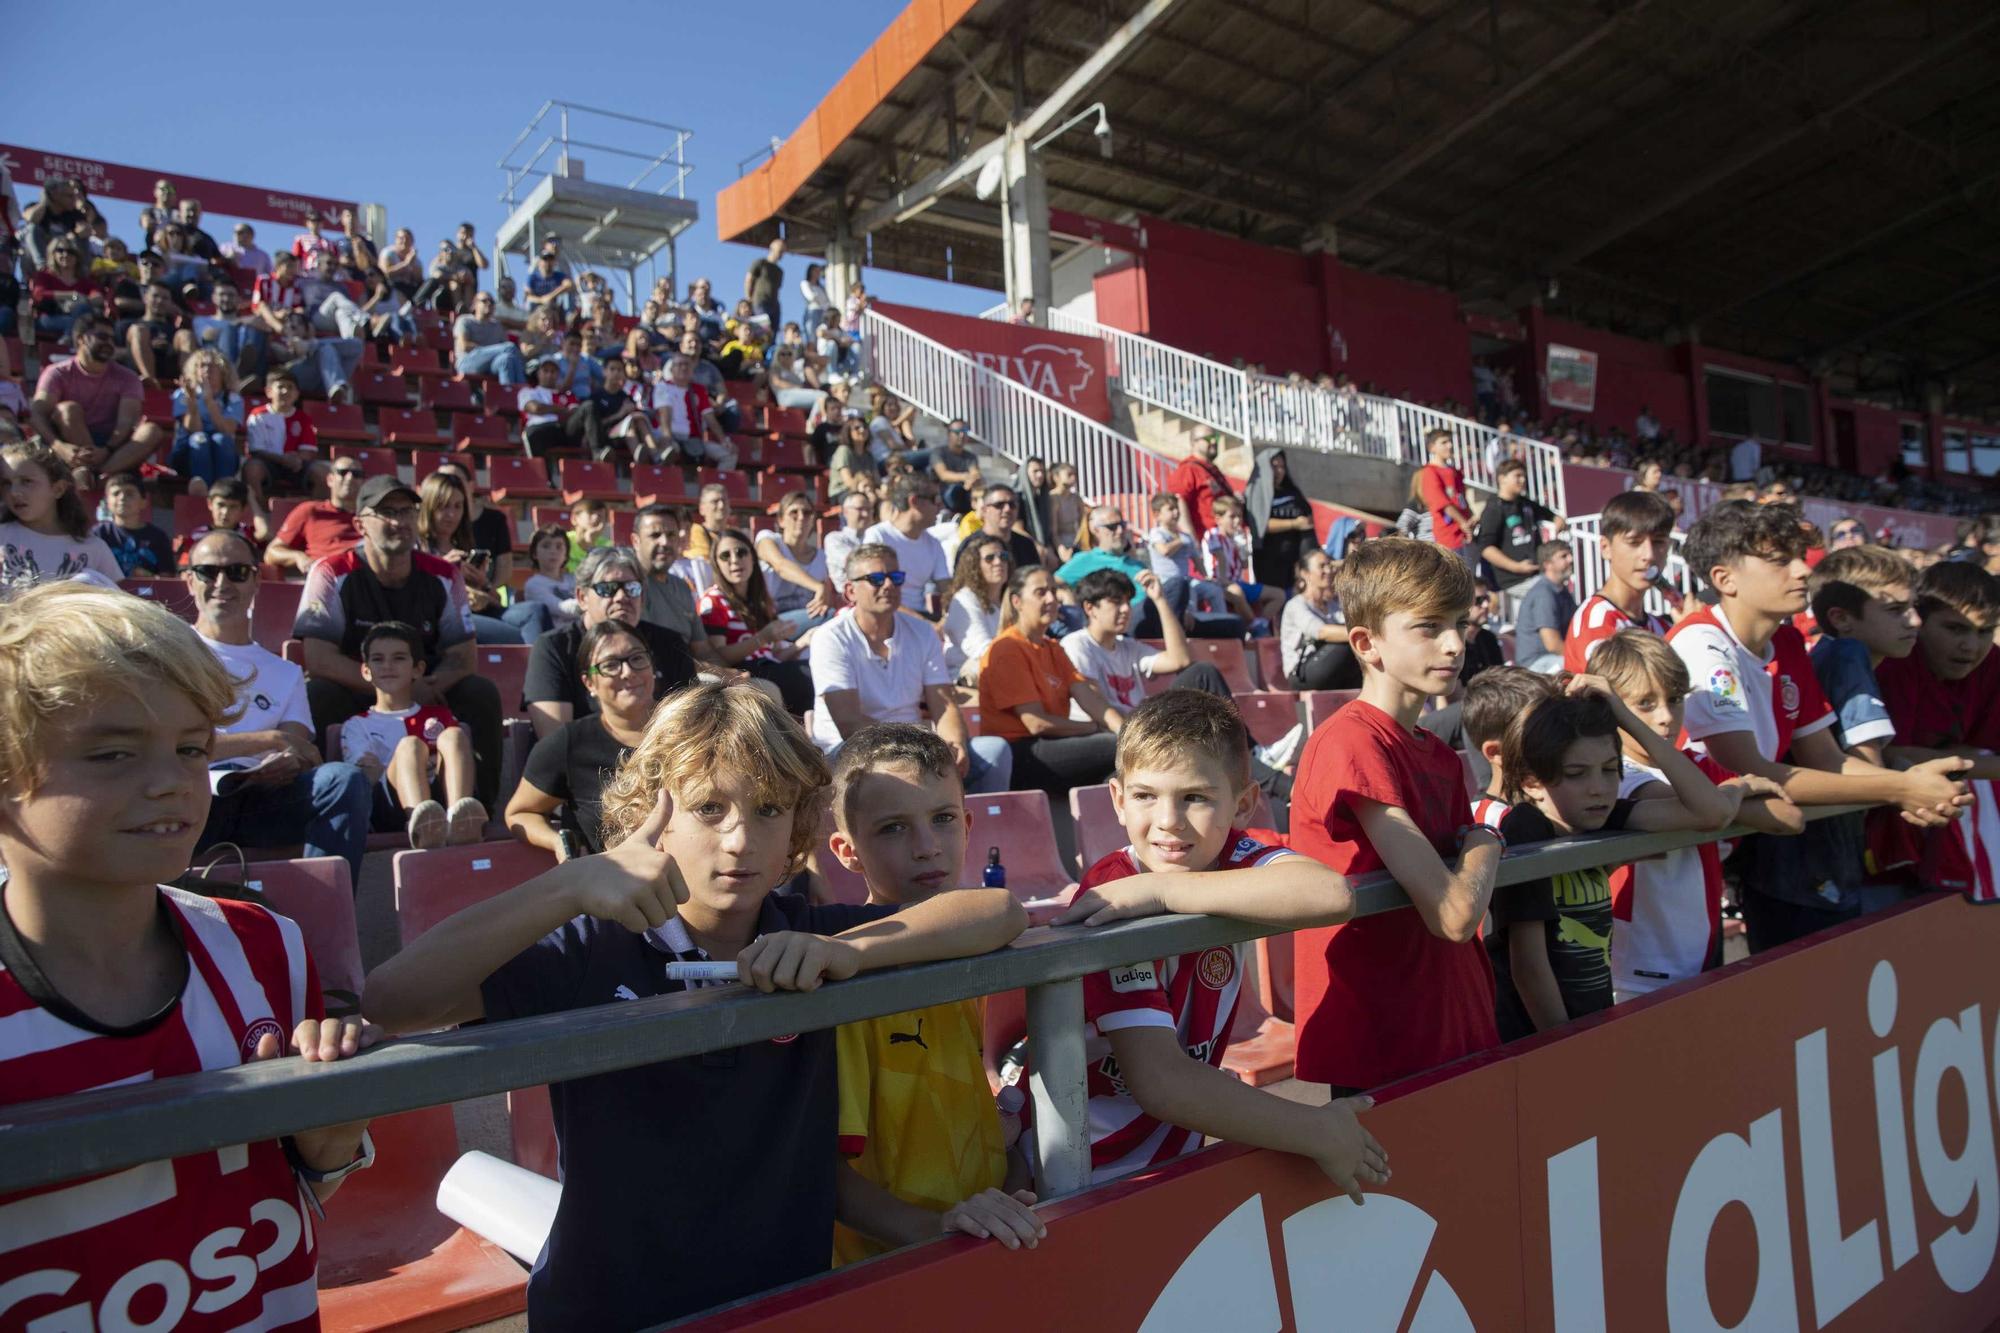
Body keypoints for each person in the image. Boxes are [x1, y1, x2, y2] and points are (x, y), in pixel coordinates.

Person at [362, 682, 1027, 1331]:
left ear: (798, 822)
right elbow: (393, 999)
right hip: (609, 1311)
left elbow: (998, 911)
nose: (740, 839)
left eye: (768, 809)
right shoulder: (592, 943)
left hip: (785, 1303)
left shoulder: (808, 931)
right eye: (710, 807)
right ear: (655, 811)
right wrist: (566, 884)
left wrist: (850, 951)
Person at [0, 584, 377, 1333]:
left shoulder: (266, 946)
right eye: (112, 752)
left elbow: (277, 1196)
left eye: (191, 748)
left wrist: (328, 1147)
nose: (172, 779)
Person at [1047, 690, 1387, 1192]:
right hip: (1088, 1173)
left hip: (1168, 1161)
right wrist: (1314, 1129)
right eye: (1145, 796)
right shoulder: (1112, 890)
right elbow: (1162, 1082)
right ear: (1117, 800)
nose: (1168, 821)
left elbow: (1331, 893)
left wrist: (1166, 889)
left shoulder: (1224, 855)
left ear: (1244, 804)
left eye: (1196, 797)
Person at [1670, 501, 1970, 951]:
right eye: (1779, 560)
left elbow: (1828, 759)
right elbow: (1753, 772)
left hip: (1721, 857)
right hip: (1671, 863)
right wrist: (1898, 789)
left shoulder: (1787, 641)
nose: (1800, 570)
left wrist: (1909, 783)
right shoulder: (1700, 643)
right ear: (1723, 579)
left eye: (1798, 555)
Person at [1287, 538, 1505, 1094]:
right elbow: (1455, 914)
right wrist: (1488, 835)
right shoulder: (1350, 742)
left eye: (1459, 622)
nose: (1455, 644)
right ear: (1367, 643)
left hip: (1451, 1023)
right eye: (1429, 627)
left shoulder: (1437, 753)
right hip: (1384, 1043)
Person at [823, 726, 1044, 1259]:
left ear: (967, 826)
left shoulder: (970, 946)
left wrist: (1011, 1182)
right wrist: (937, 1232)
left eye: (942, 819)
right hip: (892, 1271)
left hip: (978, 1239)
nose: (927, 848)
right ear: (847, 851)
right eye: (894, 828)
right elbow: (827, 1172)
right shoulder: (844, 977)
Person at [1488, 679, 1742, 1040]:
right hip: (1539, 1044)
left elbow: (1711, 812)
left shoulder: (1602, 816)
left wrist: (1624, 717)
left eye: (1609, 769)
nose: (1599, 787)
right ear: (1531, 782)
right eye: (1577, 773)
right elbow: (1528, 965)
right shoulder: (1526, 829)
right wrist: (1566, 1046)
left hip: (1591, 1027)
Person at [1592, 630, 1802, 1002]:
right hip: (1635, 970)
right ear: (1613, 711)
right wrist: (1739, 788)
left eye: (1675, 700)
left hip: (1696, 958)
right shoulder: (1616, 774)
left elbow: (1787, 818)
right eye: (1643, 705)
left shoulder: (1693, 767)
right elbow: (1711, 810)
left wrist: (1729, 796)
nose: (1665, 717)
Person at [295, 475, 506, 807]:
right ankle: (326, 809)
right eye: (386, 512)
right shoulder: (330, 572)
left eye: (407, 511)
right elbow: (318, 658)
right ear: (360, 524)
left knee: (479, 692)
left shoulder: (443, 574)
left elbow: (464, 656)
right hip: (359, 688)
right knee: (317, 693)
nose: (399, 521)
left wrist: (422, 686)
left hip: (425, 686)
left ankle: (478, 810)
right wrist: (392, 690)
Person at [182, 529, 374, 887]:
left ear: (256, 581)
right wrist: (265, 741)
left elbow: (298, 748)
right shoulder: (168, 653)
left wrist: (288, 759)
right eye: (209, 572)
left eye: (237, 572)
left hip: (261, 797)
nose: (222, 583)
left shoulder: (284, 673)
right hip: (190, 795)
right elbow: (169, 747)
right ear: (190, 581)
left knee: (344, 780)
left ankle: (326, 914)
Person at [808, 543, 1013, 793]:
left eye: (895, 577)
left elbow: (945, 703)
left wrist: (956, 744)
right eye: (875, 579)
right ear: (850, 591)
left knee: (995, 752)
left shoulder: (923, 632)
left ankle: (973, 829)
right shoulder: (830, 638)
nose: (888, 585)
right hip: (853, 751)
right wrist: (921, 745)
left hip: (916, 748)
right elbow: (849, 723)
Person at [1878, 561, 2000, 899]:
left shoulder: (1994, 665)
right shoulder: (1893, 663)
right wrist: (1978, 762)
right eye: (1955, 629)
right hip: (1874, 858)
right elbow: (1886, 755)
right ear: (1919, 620)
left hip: (1947, 848)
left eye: (1984, 631)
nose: (1971, 647)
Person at [507, 622, 659, 860]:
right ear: (589, 683)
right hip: (617, 886)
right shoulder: (570, 744)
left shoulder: (689, 729)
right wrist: (558, 841)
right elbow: (519, 813)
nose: (628, 672)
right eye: (610, 665)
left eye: (637, 658)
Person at [524, 545, 699, 740]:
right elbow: (555, 739)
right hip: (586, 765)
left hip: (660, 759)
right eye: (607, 589)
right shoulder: (554, 647)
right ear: (582, 598)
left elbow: (691, 724)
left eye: (632, 588)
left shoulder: (669, 643)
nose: (622, 597)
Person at [340, 621, 487, 848]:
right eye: (378, 659)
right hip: (390, 808)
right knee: (410, 747)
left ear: (417, 669)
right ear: (366, 671)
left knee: (454, 736)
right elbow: (366, 777)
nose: (388, 666)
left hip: (442, 798)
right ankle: (420, 825)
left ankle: (460, 820)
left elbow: (456, 757)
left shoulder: (440, 717)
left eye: (399, 658)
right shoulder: (357, 725)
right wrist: (416, 763)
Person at [980, 565, 1121, 794]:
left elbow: (1091, 700)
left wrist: (1126, 732)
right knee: (1116, 747)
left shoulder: (1053, 648)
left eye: (1054, 591)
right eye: (1041, 592)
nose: (1051, 598)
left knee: (1121, 771)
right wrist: (1094, 728)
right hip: (1020, 753)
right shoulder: (1007, 648)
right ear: (1017, 602)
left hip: (1051, 745)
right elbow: (1036, 723)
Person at [30, 316, 166, 492]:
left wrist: (107, 449)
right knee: (68, 410)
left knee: (151, 431)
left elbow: (127, 422)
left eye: (112, 338)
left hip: (113, 447)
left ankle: (97, 475)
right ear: (81, 339)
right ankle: (93, 474)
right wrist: (59, 446)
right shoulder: (56, 373)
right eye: (102, 337)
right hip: (71, 443)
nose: (108, 343)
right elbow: (37, 414)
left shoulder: (128, 378)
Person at [417, 471, 543, 644]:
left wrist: (483, 584)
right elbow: (414, 592)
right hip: (446, 618)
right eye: (444, 506)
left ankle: (539, 667)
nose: (451, 514)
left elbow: (496, 600)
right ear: (429, 507)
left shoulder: (464, 547)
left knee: (536, 610)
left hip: (480, 612)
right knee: (515, 637)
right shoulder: (417, 546)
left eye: (457, 506)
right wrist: (443, 567)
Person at [702, 529, 815, 714]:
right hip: (742, 672)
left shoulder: (761, 601)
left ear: (752, 558)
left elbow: (775, 656)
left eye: (741, 552)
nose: (734, 560)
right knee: (807, 678)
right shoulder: (713, 600)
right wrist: (762, 638)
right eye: (725, 555)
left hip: (769, 667)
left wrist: (802, 642)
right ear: (716, 564)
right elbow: (720, 656)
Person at [1563, 489, 1677, 671]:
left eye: (1658, 542)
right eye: (1634, 542)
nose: (1648, 555)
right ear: (1606, 547)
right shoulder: (1597, 624)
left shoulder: (1663, 626)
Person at [0, 439, 123, 589]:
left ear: (58, 489)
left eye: (26, 481)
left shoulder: (93, 548)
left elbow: (117, 603)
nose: (14, 492)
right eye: (6, 483)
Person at [1461, 667, 1560, 830]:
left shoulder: (1570, 803)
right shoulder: (1484, 825)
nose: (1559, 739)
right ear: (1496, 752)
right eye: (1541, 731)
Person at [1474, 458, 1565, 617]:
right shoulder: (1494, 508)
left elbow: (1552, 516)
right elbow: (1486, 549)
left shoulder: (1525, 503)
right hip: (1514, 579)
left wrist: (1558, 520)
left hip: (1535, 573)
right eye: (1517, 475)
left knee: (1559, 592)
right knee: (1550, 594)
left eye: (1524, 476)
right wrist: (1516, 567)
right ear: (1502, 479)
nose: (1522, 480)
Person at [863, 475, 951, 617]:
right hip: (886, 615)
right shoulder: (878, 536)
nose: (940, 507)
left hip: (921, 617)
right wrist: (924, 624)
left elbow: (947, 591)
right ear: (914, 501)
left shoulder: (933, 544)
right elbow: (876, 591)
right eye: (935, 500)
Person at [240, 367, 326, 504]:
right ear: (268, 391)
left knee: (323, 472)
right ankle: (258, 511)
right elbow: (256, 450)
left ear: (297, 394)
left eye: (290, 387)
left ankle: (314, 512)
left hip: (296, 465)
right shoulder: (258, 415)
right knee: (252, 468)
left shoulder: (303, 418)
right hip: (267, 463)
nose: (286, 391)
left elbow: (308, 450)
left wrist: (296, 459)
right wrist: (282, 459)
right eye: (281, 387)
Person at [265, 455, 365, 573]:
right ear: (330, 480)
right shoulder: (310, 511)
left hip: (364, 578)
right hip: (327, 577)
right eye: (343, 472)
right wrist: (299, 557)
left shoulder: (371, 516)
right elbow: (271, 553)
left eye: (356, 474)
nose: (350, 478)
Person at [168, 347, 246, 493]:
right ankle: (203, 490)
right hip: (188, 452)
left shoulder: (233, 399)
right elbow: (194, 429)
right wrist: (192, 403)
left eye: (212, 366)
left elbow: (227, 430)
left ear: (223, 371)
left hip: (221, 450)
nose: (206, 370)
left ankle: (224, 491)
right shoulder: (182, 394)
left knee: (221, 439)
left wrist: (209, 402)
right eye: (201, 366)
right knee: (199, 439)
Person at [1282, 548, 1359, 691]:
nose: (1329, 570)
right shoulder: (1296, 605)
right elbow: (1321, 632)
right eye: (1322, 566)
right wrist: (1363, 634)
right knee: (1349, 645)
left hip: (1331, 666)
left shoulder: (1334, 605)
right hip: (1301, 672)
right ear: (1305, 574)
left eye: (1329, 565)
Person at [1201, 496, 1281, 632]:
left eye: (1239, 516)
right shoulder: (1213, 535)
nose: (1237, 521)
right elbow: (1220, 558)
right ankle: (1254, 625)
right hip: (1219, 582)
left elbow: (1244, 565)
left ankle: (1262, 622)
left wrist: (1242, 548)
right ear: (1218, 519)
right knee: (1236, 591)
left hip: (1237, 582)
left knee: (1278, 595)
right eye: (1232, 517)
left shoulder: (1235, 538)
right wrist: (1223, 580)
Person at [943, 533, 1013, 684]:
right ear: (974, 565)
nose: (998, 562)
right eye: (990, 558)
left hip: (1007, 672)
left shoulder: (1011, 599)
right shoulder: (964, 599)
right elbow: (982, 650)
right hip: (968, 681)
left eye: (1003, 556)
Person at [1245, 449, 1316, 589]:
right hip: (1270, 561)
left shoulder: (1292, 491)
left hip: (1295, 560)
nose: (1279, 471)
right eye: (1274, 467)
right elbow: (1260, 526)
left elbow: (1307, 518)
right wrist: (1294, 524)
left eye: (1282, 467)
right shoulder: (1256, 494)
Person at [90, 470, 174, 576]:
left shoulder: (158, 537)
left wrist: (149, 577)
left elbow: (167, 577)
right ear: (107, 502)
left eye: (129, 494)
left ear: (144, 502)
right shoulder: (98, 534)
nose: (122, 498)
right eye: (116, 493)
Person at [1514, 540, 1576, 673]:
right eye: (1563, 556)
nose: (1570, 559)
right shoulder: (1543, 593)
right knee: (1582, 668)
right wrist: (1579, 658)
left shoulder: (1562, 591)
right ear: (1548, 564)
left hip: (1551, 658)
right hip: (1535, 664)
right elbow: (1552, 643)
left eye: (1570, 555)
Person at [1415, 428, 1474, 567]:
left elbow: (1462, 499)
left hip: (1464, 533)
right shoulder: (1430, 472)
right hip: (1448, 535)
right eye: (1444, 442)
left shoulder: (1455, 472)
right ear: (1432, 447)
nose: (1450, 445)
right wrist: (1463, 523)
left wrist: (1470, 518)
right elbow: (1442, 503)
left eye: (1450, 441)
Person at [1167, 430, 1232, 542]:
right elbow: (1178, 502)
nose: (1213, 441)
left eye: (1215, 437)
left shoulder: (1212, 470)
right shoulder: (1188, 469)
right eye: (1207, 438)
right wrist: (1192, 542)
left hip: (1224, 541)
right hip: (1207, 541)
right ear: (1194, 443)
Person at [454, 291, 528, 387]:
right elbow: (464, 346)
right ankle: (524, 391)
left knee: (506, 359)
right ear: (474, 305)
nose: (489, 304)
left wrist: (493, 352)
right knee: (509, 347)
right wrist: (492, 351)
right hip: (467, 362)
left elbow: (508, 351)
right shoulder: (465, 321)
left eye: (492, 302)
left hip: (491, 364)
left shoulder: (497, 326)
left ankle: (509, 396)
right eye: (484, 301)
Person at [522, 523, 582, 631]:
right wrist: (592, 603)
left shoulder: (574, 580)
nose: (553, 551)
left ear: (566, 555)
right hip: (554, 639)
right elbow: (562, 608)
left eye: (559, 546)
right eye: (546, 546)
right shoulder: (533, 585)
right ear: (534, 553)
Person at [829, 415, 882, 501]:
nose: (862, 430)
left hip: (865, 489)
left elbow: (877, 481)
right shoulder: (843, 451)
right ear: (848, 432)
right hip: (842, 492)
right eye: (857, 428)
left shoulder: (869, 456)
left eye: (865, 427)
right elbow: (848, 482)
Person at [565, 497, 612, 573]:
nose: (596, 518)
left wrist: (590, 542)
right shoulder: (564, 540)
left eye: (600, 516)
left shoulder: (607, 546)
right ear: (574, 519)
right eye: (590, 513)